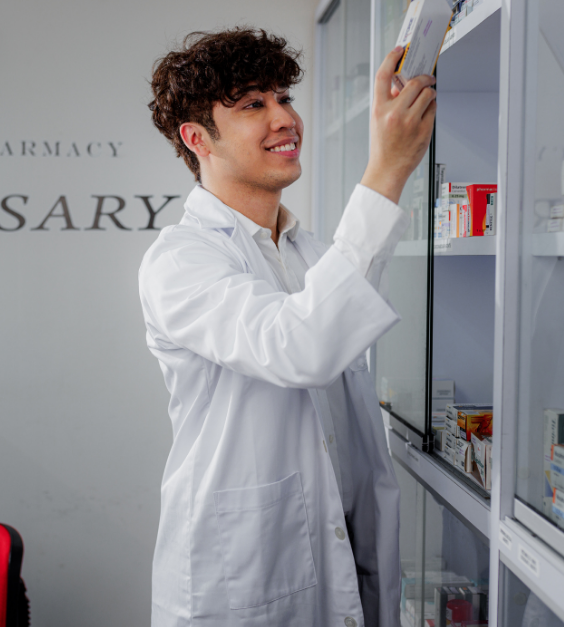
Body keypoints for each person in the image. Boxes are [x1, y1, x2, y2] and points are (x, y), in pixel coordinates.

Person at [139, 28, 436, 627]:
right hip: (243, 579)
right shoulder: (178, 261)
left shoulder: (311, 254)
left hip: (342, 558)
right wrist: (387, 171)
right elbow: (300, 347)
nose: (284, 118)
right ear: (197, 139)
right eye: (253, 104)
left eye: (283, 97)